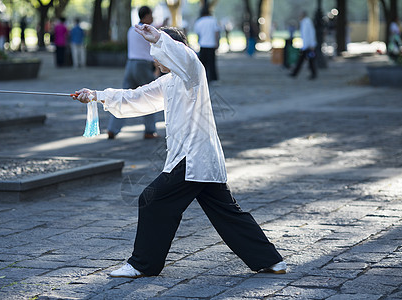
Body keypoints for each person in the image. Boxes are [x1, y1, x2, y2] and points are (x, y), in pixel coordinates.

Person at [73, 24, 286, 278]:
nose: (155, 57)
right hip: (197, 160)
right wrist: (95, 95)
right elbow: (135, 97)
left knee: (152, 200)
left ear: (174, 50)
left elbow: (184, 56)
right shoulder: (168, 82)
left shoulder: (193, 71)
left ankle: (143, 264)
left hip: (192, 157)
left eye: (159, 52)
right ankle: (271, 260)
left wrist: (160, 38)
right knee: (227, 212)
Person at [106, 6, 159, 140]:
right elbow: (154, 49)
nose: (152, 17)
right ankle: (149, 130)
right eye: (151, 14)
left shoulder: (131, 29)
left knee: (123, 98)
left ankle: (113, 128)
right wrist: (158, 68)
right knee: (149, 96)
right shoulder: (148, 30)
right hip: (143, 66)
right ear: (146, 16)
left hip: (130, 65)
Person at [194, 5, 220, 83]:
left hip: (203, 44)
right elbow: (216, 32)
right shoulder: (213, 20)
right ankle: (214, 79)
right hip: (211, 44)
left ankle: (203, 78)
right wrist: (217, 42)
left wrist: (198, 41)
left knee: (203, 63)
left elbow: (198, 34)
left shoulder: (199, 21)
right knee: (212, 63)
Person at [290, 11, 317, 80]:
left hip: (308, 46)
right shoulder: (304, 22)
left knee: (307, 60)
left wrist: (311, 44)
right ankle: (296, 73)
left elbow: (310, 34)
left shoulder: (307, 22)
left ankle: (296, 73)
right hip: (306, 45)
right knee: (305, 60)